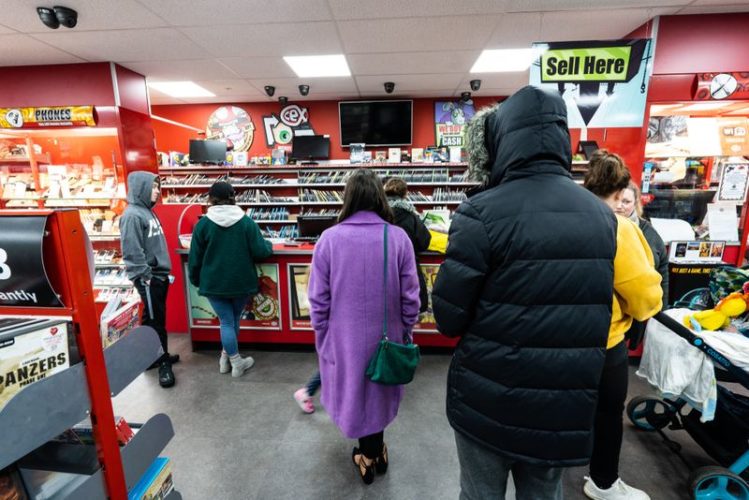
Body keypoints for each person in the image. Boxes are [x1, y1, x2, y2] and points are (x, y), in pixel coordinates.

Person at [431, 86, 663, 500]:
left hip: (487, 398)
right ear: (562, 137)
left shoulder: (479, 213)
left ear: (501, 139)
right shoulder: (607, 219)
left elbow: (449, 319)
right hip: (561, 399)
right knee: (544, 493)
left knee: (480, 493)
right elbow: (642, 298)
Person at [308, 169, 420, 485]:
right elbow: (411, 295)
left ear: (349, 198)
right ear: (380, 197)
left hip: (342, 338)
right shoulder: (397, 237)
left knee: (354, 395)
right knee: (380, 392)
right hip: (389, 335)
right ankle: (377, 448)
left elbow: (318, 298)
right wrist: (406, 329)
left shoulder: (329, 239)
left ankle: (366, 455)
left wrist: (323, 335)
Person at [583, 150, 664, 500]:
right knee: (607, 414)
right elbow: (645, 295)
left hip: (558, 338)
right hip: (606, 341)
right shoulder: (621, 228)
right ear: (619, 193)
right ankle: (603, 483)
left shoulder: (567, 218)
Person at [188, 181, 272, 377]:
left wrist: (196, 279)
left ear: (211, 199)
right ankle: (235, 363)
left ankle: (226, 360)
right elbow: (261, 251)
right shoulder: (246, 222)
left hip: (214, 283)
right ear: (233, 197)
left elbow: (195, 258)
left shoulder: (203, 225)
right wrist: (268, 244)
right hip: (241, 282)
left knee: (226, 321)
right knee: (233, 320)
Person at [121, 171, 177, 388]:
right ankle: (163, 364)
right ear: (141, 187)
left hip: (158, 276)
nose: (157, 190)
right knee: (157, 322)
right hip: (149, 278)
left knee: (151, 318)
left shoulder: (147, 212)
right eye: (153, 187)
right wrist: (146, 276)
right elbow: (132, 251)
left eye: (157, 186)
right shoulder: (132, 215)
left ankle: (152, 357)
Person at [617, 181, 669, 310]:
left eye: (626, 202)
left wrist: (662, 310)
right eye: (616, 199)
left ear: (635, 204)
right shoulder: (601, 226)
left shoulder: (648, 232)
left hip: (640, 310)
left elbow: (662, 274)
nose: (619, 206)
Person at [384, 177, 432, 312]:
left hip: (381, 270)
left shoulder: (377, 214)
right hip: (408, 268)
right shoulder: (411, 216)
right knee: (409, 309)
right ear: (405, 194)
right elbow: (425, 242)